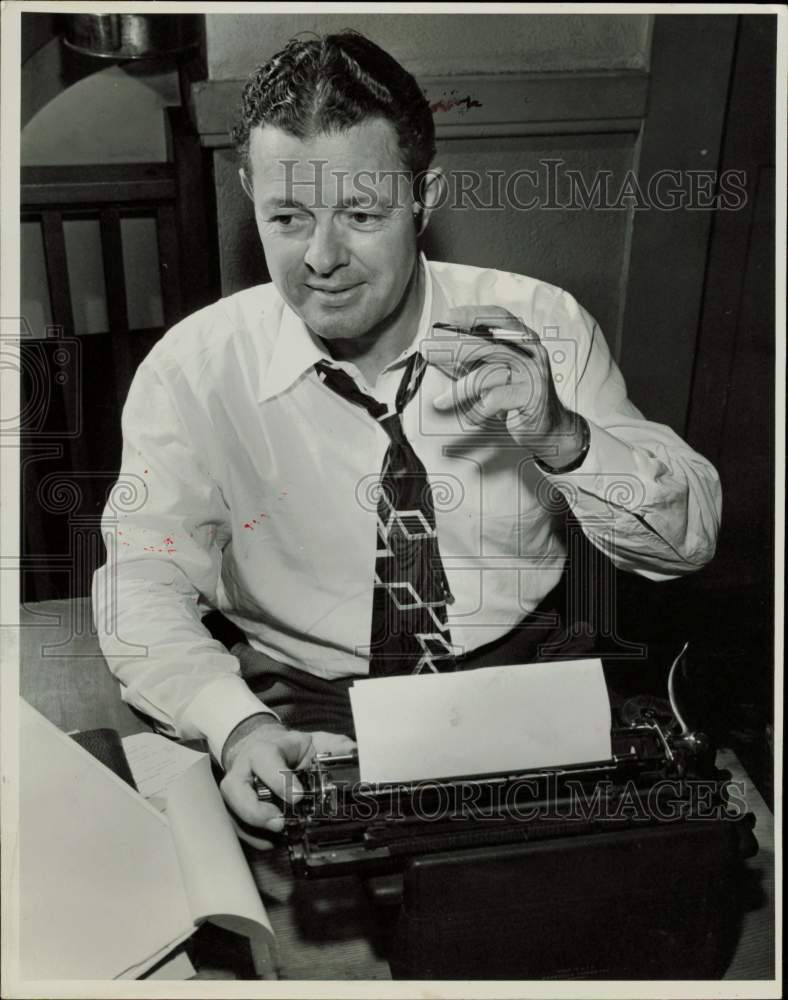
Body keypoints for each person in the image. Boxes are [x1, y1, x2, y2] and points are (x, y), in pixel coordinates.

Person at [92, 31, 721, 833]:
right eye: (287, 215)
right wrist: (237, 724)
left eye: (360, 213)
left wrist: (564, 438)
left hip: (526, 679)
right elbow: (139, 584)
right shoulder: (193, 370)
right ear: (250, 193)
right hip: (306, 705)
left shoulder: (542, 324)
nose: (321, 258)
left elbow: (689, 541)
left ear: (424, 198)